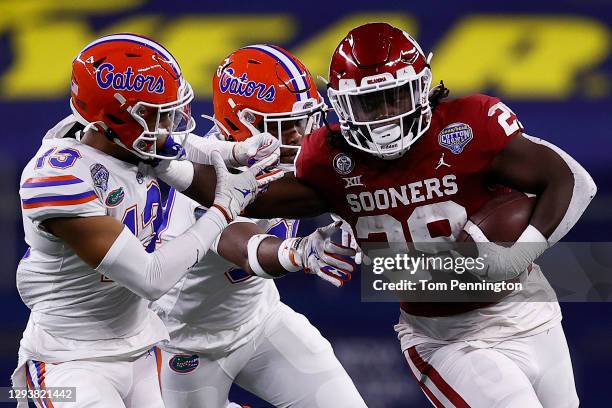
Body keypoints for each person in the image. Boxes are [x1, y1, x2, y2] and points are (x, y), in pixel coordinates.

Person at [176, 23, 597, 407]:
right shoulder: (321, 160)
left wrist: (514, 256)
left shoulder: (467, 125)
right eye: (368, 104)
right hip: (446, 338)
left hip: (529, 307)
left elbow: (574, 181)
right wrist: (298, 251)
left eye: (395, 96)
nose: (385, 119)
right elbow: (242, 211)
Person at [12, 33, 282, 408]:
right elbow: (151, 278)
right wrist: (222, 210)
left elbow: (180, 143)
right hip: (69, 361)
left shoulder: (114, 136)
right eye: (158, 113)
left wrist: (234, 150)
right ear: (117, 117)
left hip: (140, 348)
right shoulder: (58, 179)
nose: (169, 124)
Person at [153, 45, 367, 408]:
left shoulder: (304, 158)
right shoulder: (203, 177)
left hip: (260, 320)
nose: (301, 136)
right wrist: (298, 252)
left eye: (305, 121)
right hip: (185, 345)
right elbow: (246, 246)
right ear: (241, 125)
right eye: (287, 126)